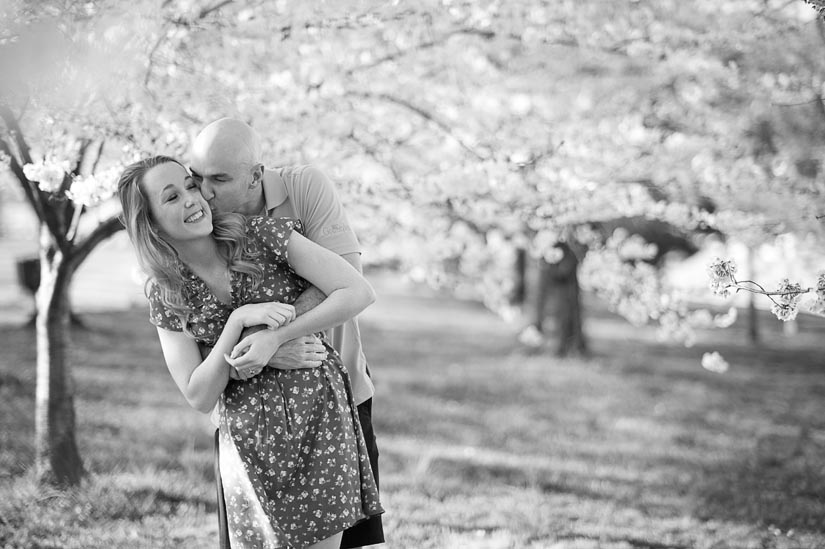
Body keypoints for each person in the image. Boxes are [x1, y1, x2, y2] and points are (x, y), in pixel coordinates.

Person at [117, 156, 383, 549]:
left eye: (191, 186)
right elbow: (198, 393)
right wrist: (238, 322)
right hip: (247, 446)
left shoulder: (259, 234)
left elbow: (357, 291)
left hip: (319, 427)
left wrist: (275, 338)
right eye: (172, 197)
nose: (193, 199)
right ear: (150, 221)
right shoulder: (167, 294)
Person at [189, 119, 384, 549]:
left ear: (256, 175)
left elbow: (348, 278)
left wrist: (275, 335)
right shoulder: (204, 225)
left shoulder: (305, 188)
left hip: (337, 400)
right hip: (250, 422)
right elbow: (204, 326)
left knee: (351, 544)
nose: (204, 192)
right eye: (197, 177)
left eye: (219, 179)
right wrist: (257, 347)